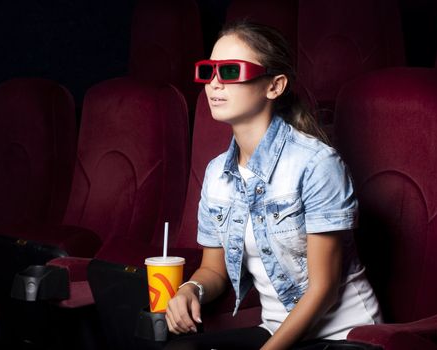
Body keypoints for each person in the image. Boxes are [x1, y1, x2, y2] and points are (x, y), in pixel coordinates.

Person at [164, 21, 382, 350]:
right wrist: (191, 289)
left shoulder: (317, 165)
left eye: (231, 71)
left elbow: (322, 290)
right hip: (278, 332)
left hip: (345, 337)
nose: (214, 84)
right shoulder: (215, 175)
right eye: (208, 71)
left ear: (274, 86)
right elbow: (214, 269)